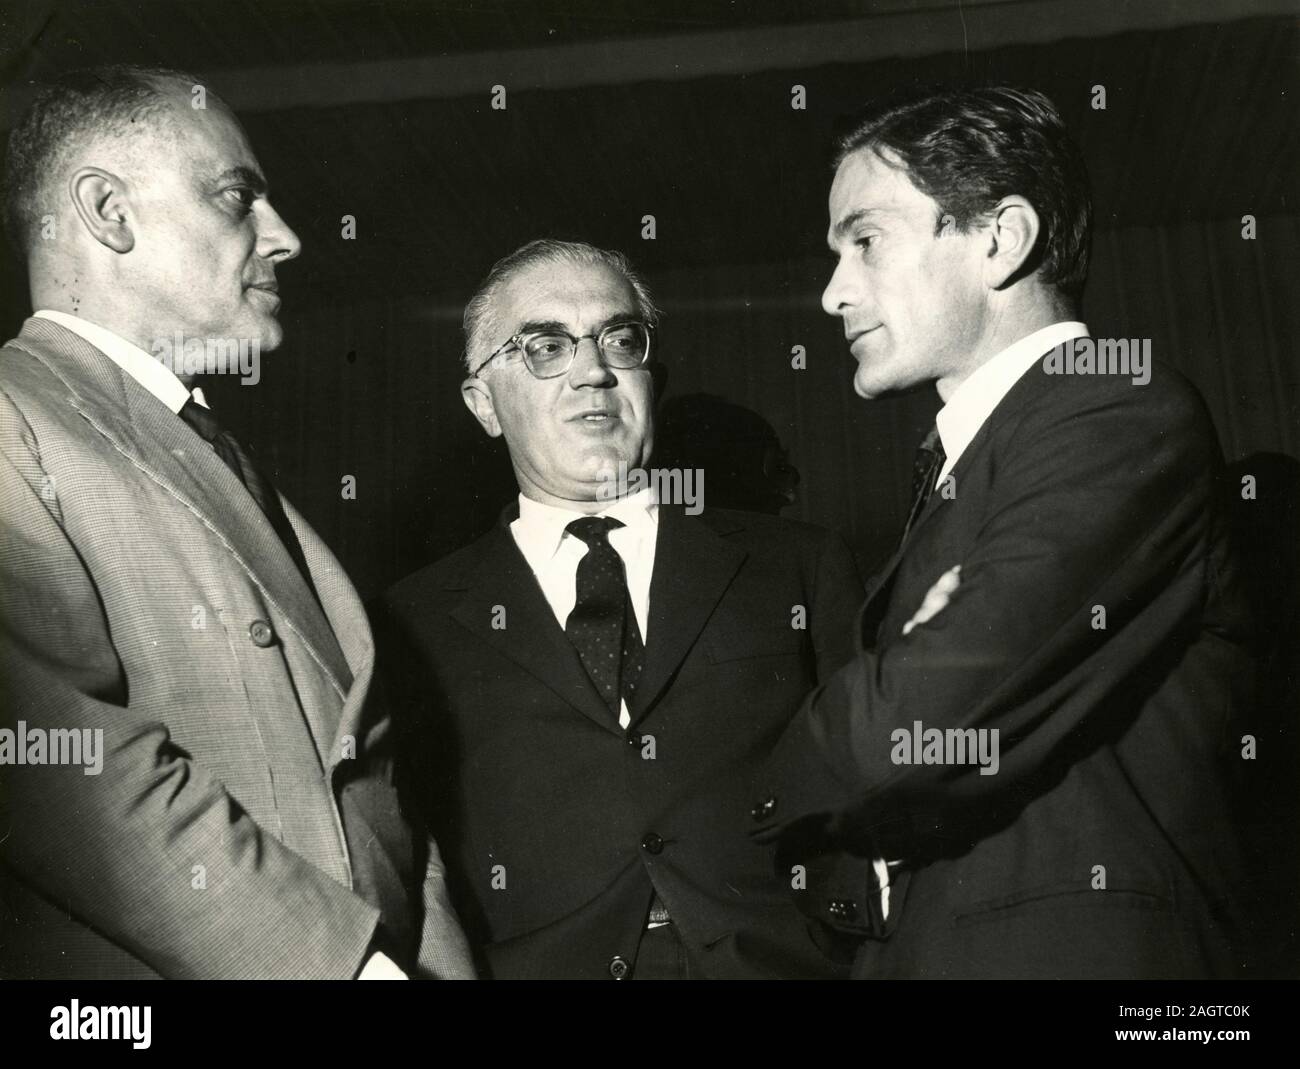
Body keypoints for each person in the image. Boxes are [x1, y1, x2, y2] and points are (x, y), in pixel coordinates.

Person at [751, 86, 1254, 979]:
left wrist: (772, 759)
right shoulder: (975, 455)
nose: (832, 293)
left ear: (1000, 238)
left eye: (865, 241)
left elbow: (917, 720)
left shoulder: (1115, 407)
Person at [0, 64, 471, 979]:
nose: (286, 238)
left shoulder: (214, 451)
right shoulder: (15, 419)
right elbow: (61, 763)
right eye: (236, 197)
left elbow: (377, 802)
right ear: (108, 212)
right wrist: (355, 970)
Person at [377, 239, 863, 979]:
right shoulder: (409, 623)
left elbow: (867, 790)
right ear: (484, 403)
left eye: (619, 339)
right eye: (545, 346)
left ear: (650, 377)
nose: (593, 372)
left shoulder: (795, 565)